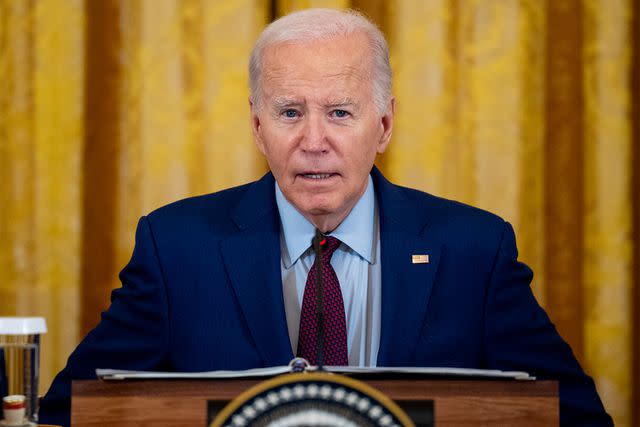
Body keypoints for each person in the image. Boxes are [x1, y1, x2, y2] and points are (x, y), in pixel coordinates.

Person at [40, 8, 612, 426]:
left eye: (340, 112)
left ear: (384, 125)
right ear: (258, 127)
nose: (314, 141)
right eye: (290, 112)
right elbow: (73, 412)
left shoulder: (475, 249)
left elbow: (573, 416)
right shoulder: (175, 247)